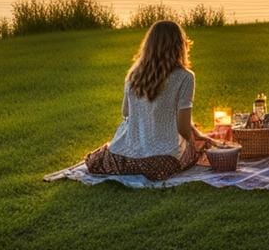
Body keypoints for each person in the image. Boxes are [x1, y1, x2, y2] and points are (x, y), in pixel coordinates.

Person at [84, 20, 217, 180]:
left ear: (148, 46)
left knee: (98, 157)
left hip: (123, 158)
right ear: (180, 45)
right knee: (201, 146)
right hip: (162, 161)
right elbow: (183, 128)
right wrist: (194, 141)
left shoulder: (133, 74)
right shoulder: (185, 77)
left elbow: (126, 113)